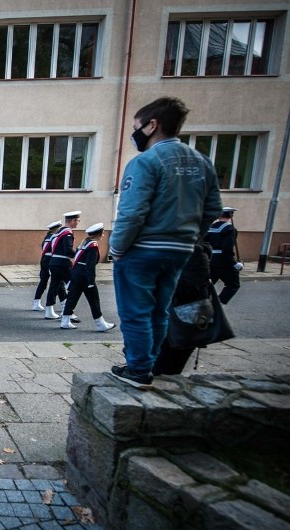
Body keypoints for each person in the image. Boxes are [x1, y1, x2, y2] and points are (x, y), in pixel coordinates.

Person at [110, 96, 222, 389]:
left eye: (137, 127)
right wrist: (189, 239)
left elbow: (132, 212)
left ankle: (138, 369)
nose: (135, 134)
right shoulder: (202, 162)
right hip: (180, 250)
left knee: (136, 312)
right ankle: (150, 365)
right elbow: (212, 210)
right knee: (160, 310)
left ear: (152, 125)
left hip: (143, 249)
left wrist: (117, 248)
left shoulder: (146, 162)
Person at [152, 241, 213, 375]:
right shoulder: (172, 248)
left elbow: (190, 287)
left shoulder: (194, 251)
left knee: (164, 372)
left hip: (183, 321)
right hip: (169, 321)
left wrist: (157, 279)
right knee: (158, 369)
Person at [60, 224, 116, 332]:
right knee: (94, 299)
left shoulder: (85, 243)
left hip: (76, 274)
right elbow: (90, 265)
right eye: (103, 233)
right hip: (84, 276)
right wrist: (91, 281)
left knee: (72, 297)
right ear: (99, 234)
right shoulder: (93, 246)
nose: (103, 235)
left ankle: (65, 321)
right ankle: (100, 324)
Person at [45, 211, 81, 321]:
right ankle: (68, 312)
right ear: (72, 221)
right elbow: (68, 251)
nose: (78, 223)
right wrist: (79, 253)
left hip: (54, 262)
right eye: (77, 221)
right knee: (73, 287)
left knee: (54, 287)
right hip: (63, 263)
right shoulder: (67, 233)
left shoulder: (58, 232)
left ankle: (49, 311)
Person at [206, 207, 242, 304]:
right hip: (223, 261)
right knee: (233, 284)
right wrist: (234, 263)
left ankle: (203, 302)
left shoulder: (210, 227)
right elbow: (227, 249)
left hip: (209, 259)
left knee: (207, 284)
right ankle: (216, 303)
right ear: (231, 216)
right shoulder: (230, 229)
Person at [33, 221, 67, 312]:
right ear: (56, 229)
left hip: (44, 260)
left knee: (44, 281)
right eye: (59, 229)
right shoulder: (54, 237)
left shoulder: (47, 237)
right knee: (59, 282)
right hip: (50, 261)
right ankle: (64, 304)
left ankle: (36, 302)